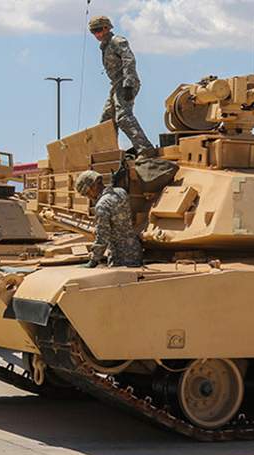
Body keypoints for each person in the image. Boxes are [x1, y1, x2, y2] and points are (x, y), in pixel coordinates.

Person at [90, 16, 155, 157]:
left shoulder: (117, 41)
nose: (97, 34)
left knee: (123, 117)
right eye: (93, 32)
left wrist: (128, 84)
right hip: (116, 85)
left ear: (107, 28)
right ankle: (107, 154)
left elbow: (129, 60)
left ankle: (145, 149)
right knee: (107, 121)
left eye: (99, 30)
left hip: (125, 83)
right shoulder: (105, 46)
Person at [75, 170, 143, 267]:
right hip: (135, 250)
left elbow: (102, 236)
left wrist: (94, 260)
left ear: (93, 186)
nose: (88, 197)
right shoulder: (121, 192)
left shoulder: (102, 205)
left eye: (87, 193)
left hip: (120, 257)